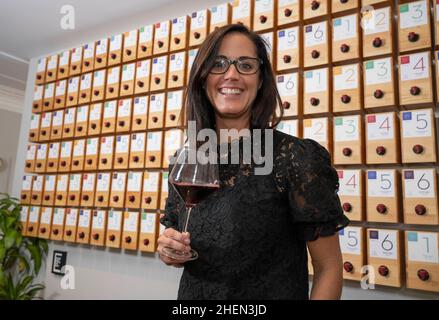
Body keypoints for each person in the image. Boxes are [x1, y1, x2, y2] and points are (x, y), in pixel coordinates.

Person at [158, 24, 349, 300]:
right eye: (218, 64)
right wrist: (169, 250)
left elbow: (328, 267)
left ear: (260, 81)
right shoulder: (187, 161)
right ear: (202, 78)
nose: (232, 74)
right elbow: (177, 241)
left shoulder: (294, 156)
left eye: (246, 65)